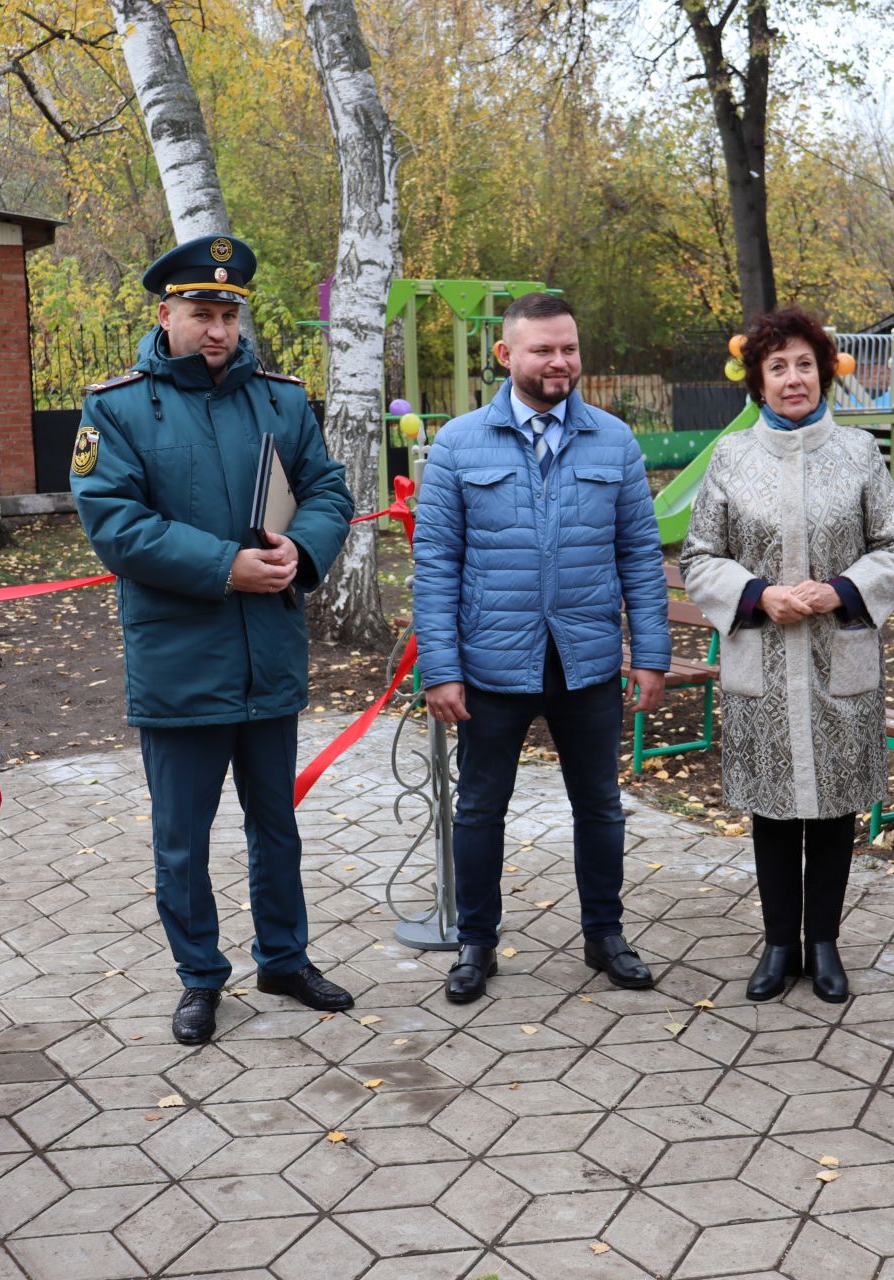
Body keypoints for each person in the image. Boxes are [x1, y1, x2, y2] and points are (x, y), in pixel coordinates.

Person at [72, 236, 355, 1046]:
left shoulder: (281, 399)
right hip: (179, 657)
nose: (218, 328)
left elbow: (327, 489)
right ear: (166, 315)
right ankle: (201, 977)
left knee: (277, 825)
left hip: (268, 648)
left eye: (229, 312)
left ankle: (285, 958)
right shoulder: (117, 407)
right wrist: (224, 567)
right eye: (202, 312)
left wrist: (304, 552)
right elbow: (116, 524)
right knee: (182, 838)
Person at [414, 291, 671, 1004]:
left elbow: (640, 555)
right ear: (506, 356)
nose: (560, 362)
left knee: (600, 806)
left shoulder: (613, 441)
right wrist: (441, 667)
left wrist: (649, 653)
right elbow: (435, 562)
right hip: (491, 665)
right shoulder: (459, 444)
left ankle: (605, 935)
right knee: (479, 810)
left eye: (569, 348)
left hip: (586, 661)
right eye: (543, 349)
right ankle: (475, 944)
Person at [681, 306, 894, 1004]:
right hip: (762, 661)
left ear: (823, 374)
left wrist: (840, 590)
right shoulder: (731, 458)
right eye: (777, 367)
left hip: (837, 658)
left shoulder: (859, 454)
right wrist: (757, 594)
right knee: (775, 810)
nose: (793, 379)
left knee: (834, 807)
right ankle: (780, 942)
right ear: (758, 380)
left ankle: (825, 943)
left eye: (804, 365)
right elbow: (699, 558)